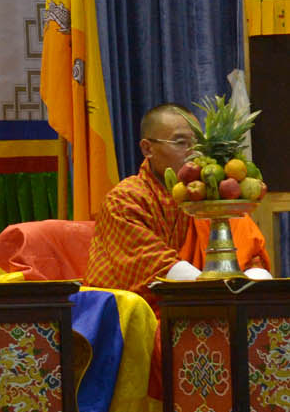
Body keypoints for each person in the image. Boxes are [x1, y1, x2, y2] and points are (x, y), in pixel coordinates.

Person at [85, 103, 269, 305]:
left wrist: (256, 293)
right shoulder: (125, 200)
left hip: (210, 301)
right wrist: (220, 297)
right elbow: (155, 267)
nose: (193, 153)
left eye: (198, 144)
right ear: (148, 149)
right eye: (181, 143)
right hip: (142, 312)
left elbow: (251, 256)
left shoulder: (210, 196)